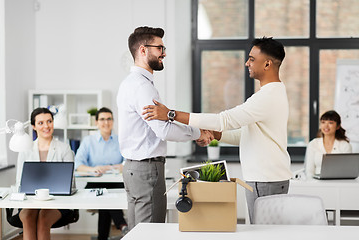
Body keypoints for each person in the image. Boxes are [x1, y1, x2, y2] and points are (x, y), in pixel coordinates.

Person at [142, 37, 293, 223]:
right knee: (262, 232)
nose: (247, 63)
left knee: (264, 234)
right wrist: (214, 134)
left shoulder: (267, 97)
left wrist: (171, 114)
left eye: (252, 59)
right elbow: (245, 135)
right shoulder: (270, 94)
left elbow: (224, 120)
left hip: (266, 180)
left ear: (268, 64)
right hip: (266, 178)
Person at [117, 26, 212, 230]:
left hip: (133, 168)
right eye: (160, 48)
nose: (164, 53)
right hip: (146, 170)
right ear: (143, 50)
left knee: (136, 231)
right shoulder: (143, 87)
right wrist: (197, 133)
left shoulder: (129, 83)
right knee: (150, 232)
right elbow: (164, 130)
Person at [15, 107, 75, 240]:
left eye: (49, 121)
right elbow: (20, 182)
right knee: (28, 217)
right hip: (30, 201)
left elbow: (70, 183)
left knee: (43, 218)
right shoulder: (25, 149)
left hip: (57, 203)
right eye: (41, 123)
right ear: (34, 126)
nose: (46, 126)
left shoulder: (64, 148)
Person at [75, 107, 128, 239]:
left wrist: (115, 166)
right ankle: (122, 225)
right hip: (94, 184)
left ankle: (103, 237)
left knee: (106, 197)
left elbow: (127, 163)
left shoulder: (120, 140)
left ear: (113, 121)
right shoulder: (88, 141)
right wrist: (92, 169)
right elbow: (78, 164)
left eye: (109, 119)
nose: (106, 122)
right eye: (102, 119)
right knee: (107, 194)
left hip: (116, 184)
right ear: (96, 122)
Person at [305, 110, 352, 177]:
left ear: (338, 126)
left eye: (330, 123)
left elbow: (348, 170)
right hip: (316, 182)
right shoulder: (313, 144)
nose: (326, 126)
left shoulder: (345, 146)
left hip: (339, 182)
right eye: (323, 122)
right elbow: (309, 171)